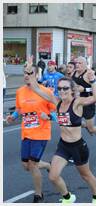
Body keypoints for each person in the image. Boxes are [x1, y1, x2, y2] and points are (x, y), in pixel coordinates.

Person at [29, 70, 96, 203]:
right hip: (63, 146)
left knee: (85, 175)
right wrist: (30, 71)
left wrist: (93, 81)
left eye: (65, 88)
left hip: (78, 147)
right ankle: (68, 198)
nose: (62, 91)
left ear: (71, 90)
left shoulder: (77, 102)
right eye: (59, 88)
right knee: (53, 176)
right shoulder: (56, 101)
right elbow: (35, 87)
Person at [6, 57, 55, 203]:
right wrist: (13, 117)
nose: (26, 75)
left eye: (30, 73)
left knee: (33, 165)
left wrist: (49, 116)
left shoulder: (45, 91)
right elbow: (20, 109)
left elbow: (58, 111)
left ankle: (38, 194)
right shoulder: (20, 91)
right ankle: (47, 165)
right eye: (25, 73)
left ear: (36, 75)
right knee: (26, 165)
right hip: (26, 132)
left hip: (41, 132)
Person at [72, 56, 96, 145]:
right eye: (76, 63)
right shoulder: (74, 73)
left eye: (80, 63)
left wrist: (85, 89)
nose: (77, 65)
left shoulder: (89, 74)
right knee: (74, 123)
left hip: (88, 102)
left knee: (91, 128)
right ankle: (74, 146)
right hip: (77, 103)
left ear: (85, 64)